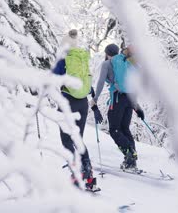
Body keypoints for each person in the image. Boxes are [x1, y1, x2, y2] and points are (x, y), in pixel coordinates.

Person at [52, 29, 99, 192]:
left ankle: (77, 173)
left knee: (66, 139)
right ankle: (88, 174)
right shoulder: (82, 58)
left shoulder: (64, 57)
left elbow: (53, 77)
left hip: (68, 101)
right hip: (83, 103)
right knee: (77, 138)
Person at [90, 43, 145, 170]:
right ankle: (131, 161)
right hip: (130, 99)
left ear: (107, 53)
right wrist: (136, 105)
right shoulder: (126, 63)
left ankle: (129, 153)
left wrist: (95, 98)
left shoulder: (107, 64)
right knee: (125, 129)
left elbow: (100, 82)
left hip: (117, 99)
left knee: (114, 130)